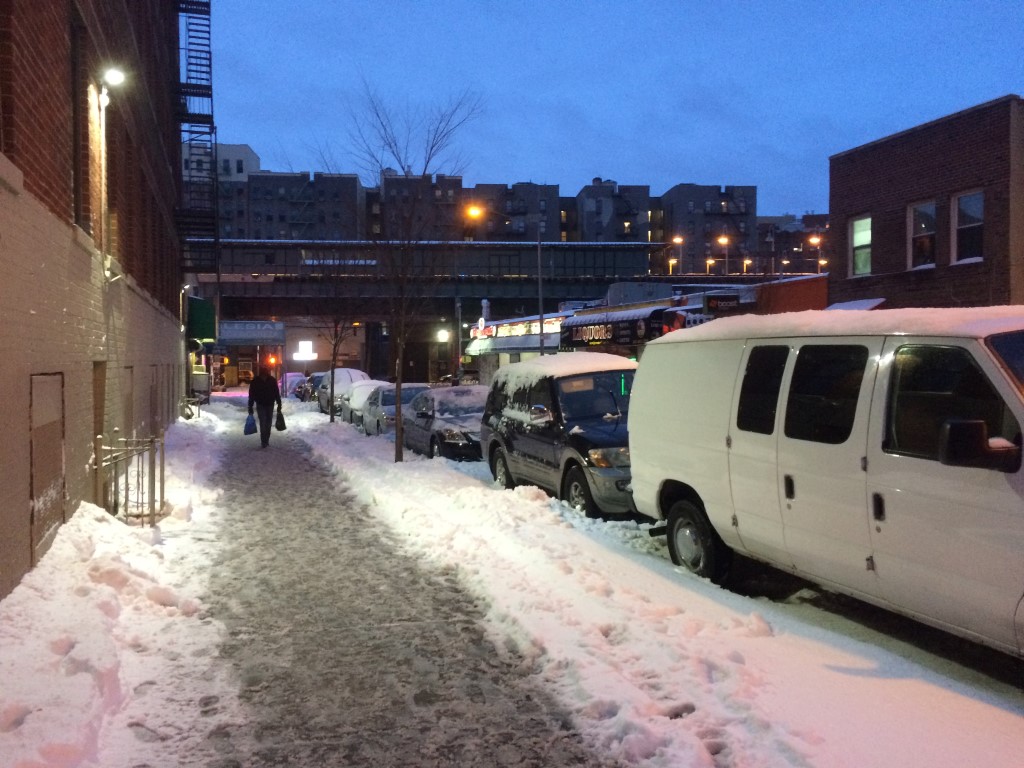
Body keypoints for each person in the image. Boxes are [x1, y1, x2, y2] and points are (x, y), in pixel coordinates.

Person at [248, 366, 282, 448]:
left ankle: (266, 440)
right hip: (261, 404)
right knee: (264, 422)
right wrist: (250, 406)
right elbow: (251, 395)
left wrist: (279, 403)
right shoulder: (256, 381)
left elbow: (276, 392)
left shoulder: (271, 381)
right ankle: (264, 440)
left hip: (269, 404)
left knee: (268, 423)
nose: (264, 375)